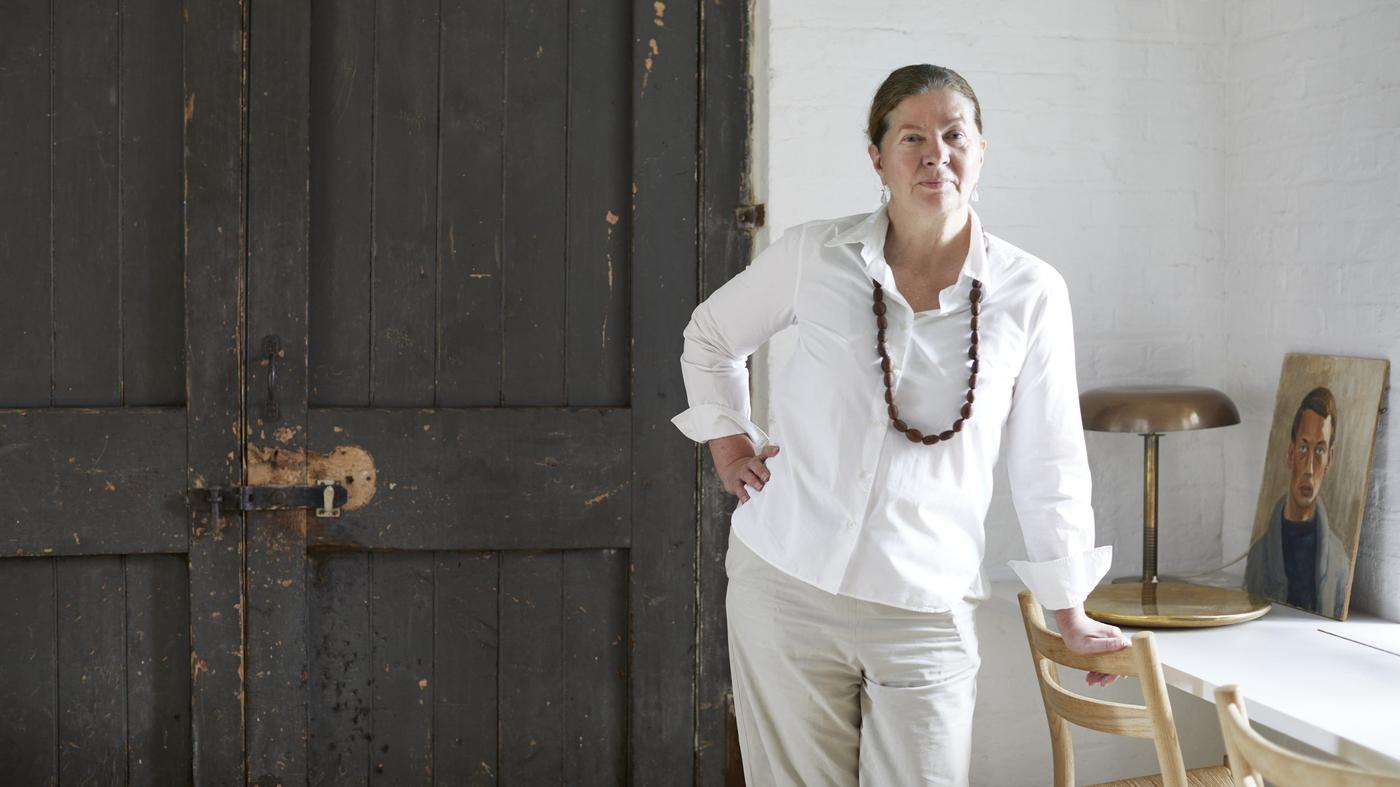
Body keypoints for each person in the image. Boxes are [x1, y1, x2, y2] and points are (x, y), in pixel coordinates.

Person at [670, 64, 1127, 785]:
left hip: (924, 605)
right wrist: (729, 441)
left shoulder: (1031, 292)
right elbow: (711, 337)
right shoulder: (811, 254)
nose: (934, 153)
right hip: (786, 584)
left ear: (981, 151)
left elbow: (1050, 460)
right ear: (876, 157)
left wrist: (1070, 610)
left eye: (954, 134)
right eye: (911, 136)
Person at [1245, 387, 1351, 617]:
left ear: (1330, 459)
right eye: (1303, 449)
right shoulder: (1258, 558)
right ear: (1290, 454)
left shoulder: (1340, 564)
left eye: (1319, 451)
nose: (1310, 470)